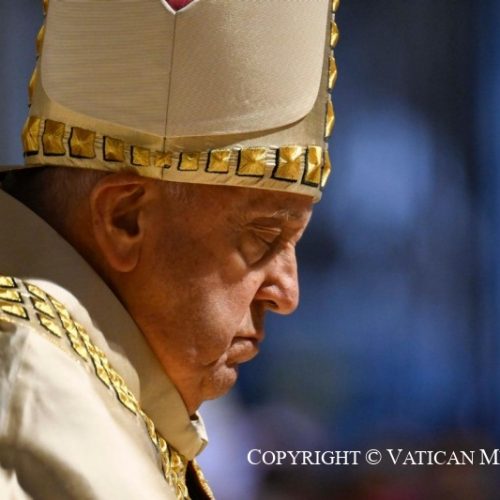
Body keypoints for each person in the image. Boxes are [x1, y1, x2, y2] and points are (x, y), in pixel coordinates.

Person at [0, 0, 339, 498]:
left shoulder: (88, 388)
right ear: (125, 219)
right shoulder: (35, 402)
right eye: (265, 236)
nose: (287, 294)